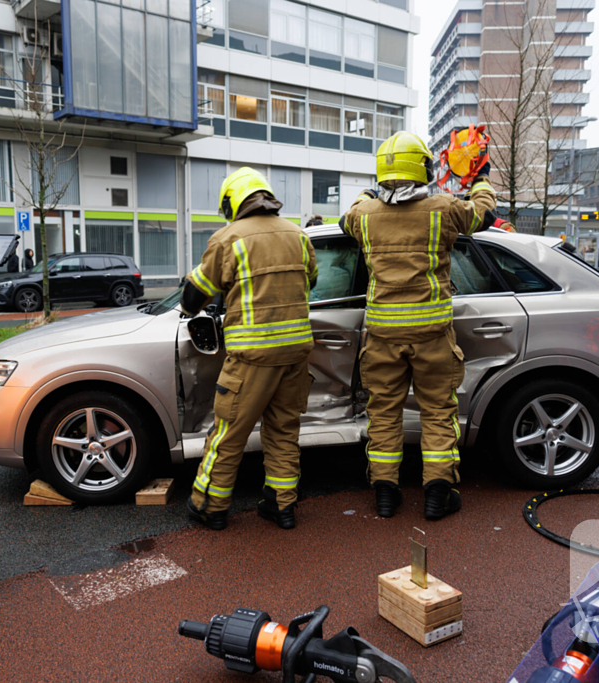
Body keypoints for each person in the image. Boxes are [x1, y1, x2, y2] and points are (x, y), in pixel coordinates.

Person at [340, 131, 496, 521]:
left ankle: (385, 494)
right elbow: (484, 215)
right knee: (438, 413)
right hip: (432, 336)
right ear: (423, 168)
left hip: (382, 338)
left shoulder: (364, 216)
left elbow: (347, 220)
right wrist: (480, 178)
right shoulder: (443, 209)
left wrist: (365, 197)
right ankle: (437, 494)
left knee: (384, 414)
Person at [182, 167, 318, 531]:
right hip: (295, 355)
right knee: (284, 431)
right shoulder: (298, 235)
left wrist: (189, 306)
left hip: (252, 359)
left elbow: (194, 295)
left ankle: (210, 507)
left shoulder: (228, 239)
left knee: (228, 433)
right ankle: (282, 506)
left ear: (233, 202)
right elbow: (312, 280)